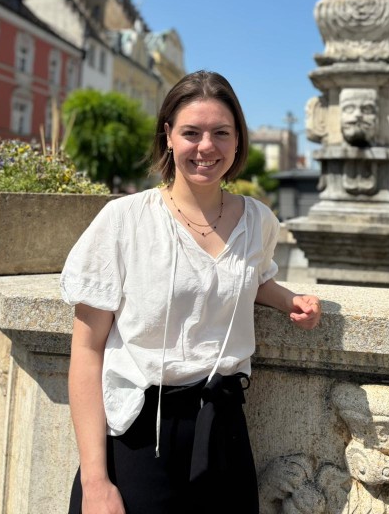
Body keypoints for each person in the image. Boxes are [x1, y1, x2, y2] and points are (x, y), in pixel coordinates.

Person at [60, 70, 321, 514]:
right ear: (168, 136)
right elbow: (87, 351)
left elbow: (249, 278)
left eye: (221, 133)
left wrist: (287, 300)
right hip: (141, 431)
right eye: (191, 133)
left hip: (223, 426)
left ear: (237, 141)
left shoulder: (258, 221)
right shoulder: (124, 220)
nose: (206, 146)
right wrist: (96, 482)